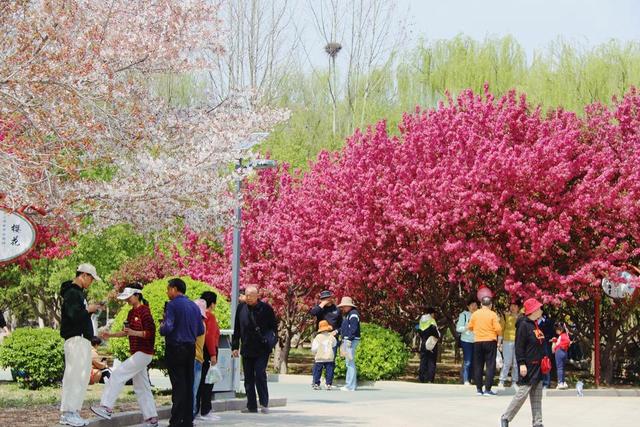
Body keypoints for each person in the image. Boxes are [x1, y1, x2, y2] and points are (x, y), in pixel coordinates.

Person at [91, 284, 158, 427]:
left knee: (117, 375)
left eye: (129, 297)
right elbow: (126, 331)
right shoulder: (130, 313)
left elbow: (150, 333)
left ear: (137, 295)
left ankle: (106, 408)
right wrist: (111, 335)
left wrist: (134, 333)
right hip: (138, 353)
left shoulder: (145, 311)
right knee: (142, 387)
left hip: (144, 352)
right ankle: (151, 419)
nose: (127, 300)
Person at [59, 263, 103, 427]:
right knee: (75, 376)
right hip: (76, 339)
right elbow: (73, 315)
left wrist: (89, 310)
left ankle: (72, 412)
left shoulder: (77, 293)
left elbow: (76, 314)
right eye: (91, 278)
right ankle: (69, 412)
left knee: (81, 376)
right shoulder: (72, 293)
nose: (91, 282)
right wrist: (88, 309)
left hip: (81, 339)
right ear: (84, 275)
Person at [160, 278, 204, 427]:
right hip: (190, 348)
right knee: (188, 382)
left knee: (178, 385)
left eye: (168, 289)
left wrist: (162, 325)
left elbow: (167, 328)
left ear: (174, 288)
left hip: (175, 347)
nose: (167, 292)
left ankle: (176, 421)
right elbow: (200, 330)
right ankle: (188, 420)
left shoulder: (172, 305)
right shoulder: (194, 306)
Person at [500, 298, 546, 427]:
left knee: (537, 397)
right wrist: (521, 363)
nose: (541, 310)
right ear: (533, 310)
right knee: (522, 394)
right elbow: (519, 346)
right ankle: (506, 418)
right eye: (539, 308)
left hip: (538, 366)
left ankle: (538, 422)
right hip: (528, 366)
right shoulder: (523, 325)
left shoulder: (535, 324)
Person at [232, 286, 278, 414]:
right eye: (246, 295)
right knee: (248, 378)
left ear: (257, 295)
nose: (248, 298)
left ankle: (264, 403)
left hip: (262, 349)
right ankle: (251, 405)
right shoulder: (241, 308)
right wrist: (235, 346)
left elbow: (274, 328)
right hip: (246, 347)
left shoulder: (266, 309)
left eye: (251, 295)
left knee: (260, 374)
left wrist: (271, 343)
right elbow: (237, 329)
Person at [195, 291, 221, 422]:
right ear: (212, 303)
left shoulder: (198, 315)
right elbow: (210, 336)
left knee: (199, 382)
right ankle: (205, 410)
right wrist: (213, 354)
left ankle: (199, 410)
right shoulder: (209, 316)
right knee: (207, 382)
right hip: (208, 350)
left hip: (200, 350)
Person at [467, 296, 502, 396]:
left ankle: (479, 389)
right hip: (490, 341)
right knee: (490, 365)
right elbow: (498, 329)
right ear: (490, 305)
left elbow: (470, 327)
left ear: (481, 304)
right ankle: (487, 389)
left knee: (478, 365)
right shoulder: (493, 314)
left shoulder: (475, 314)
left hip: (478, 341)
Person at [338, 296, 360, 391]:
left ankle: (350, 386)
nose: (343, 308)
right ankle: (350, 385)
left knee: (350, 362)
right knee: (349, 362)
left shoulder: (353, 314)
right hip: (348, 340)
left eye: (344, 306)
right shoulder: (349, 314)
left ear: (349, 306)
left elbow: (354, 328)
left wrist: (350, 339)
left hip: (351, 340)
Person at [191, 299, 207, 422]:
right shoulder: (202, 323)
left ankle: (191, 414)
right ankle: (192, 413)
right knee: (193, 389)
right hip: (198, 359)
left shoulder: (198, 324)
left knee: (192, 389)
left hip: (194, 359)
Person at [499, 300, 521, 388]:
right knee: (507, 362)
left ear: (518, 308)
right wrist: (499, 342)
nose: (513, 308)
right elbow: (501, 329)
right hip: (507, 341)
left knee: (516, 363)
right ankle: (502, 380)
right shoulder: (505, 316)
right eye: (511, 305)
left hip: (518, 341)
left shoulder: (521, 317)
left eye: (515, 306)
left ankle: (514, 381)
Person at [456, 298, 477, 385]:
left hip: (476, 341)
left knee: (474, 361)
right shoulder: (463, 315)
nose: (474, 307)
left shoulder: (478, 315)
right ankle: (466, 380)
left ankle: (471, 378)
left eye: (475, 305)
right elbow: (458, 328)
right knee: (467, 361)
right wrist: (467, 327)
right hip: (466, 341)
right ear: (468, 306)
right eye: (472, 305)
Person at [311, 320, 338, 390]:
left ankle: (316, 383)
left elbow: (314, 348)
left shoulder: (317, 337)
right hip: (329, 357)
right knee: (329, 371)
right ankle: (328, 384)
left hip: (319, 357)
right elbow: (334, 344)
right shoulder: (332, 337)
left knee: (318, 371)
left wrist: (315, 353)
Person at [417, 308, 441, 383]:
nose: (434, 315)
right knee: (431, 361)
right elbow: (435, 332)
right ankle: (430, 379)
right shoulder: (432, 320)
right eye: (434, 314)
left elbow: (419, 331)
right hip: (431, 344)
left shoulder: (421, 320)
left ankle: (422, 378)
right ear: (431, 314)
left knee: (423, 361)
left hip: (424, 343)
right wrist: (438, 336)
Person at [537, 312, 555, 387]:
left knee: (545, 362)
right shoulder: (532, 321)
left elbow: (551, 333)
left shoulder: (547, 321)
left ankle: (546, 382)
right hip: (535, 344)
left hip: (545, 344)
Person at [552, 322, 571, 390]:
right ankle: (563, 382)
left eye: (557, 330)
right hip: (565, 352)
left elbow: (555, 347)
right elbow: (568, 342)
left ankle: (560, 383)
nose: (556, 331)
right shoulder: (565, 335)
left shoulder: (561, 336)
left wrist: (558, 345)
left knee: (559, 368)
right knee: (563, 368)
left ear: (560, 330)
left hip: (559, 351)